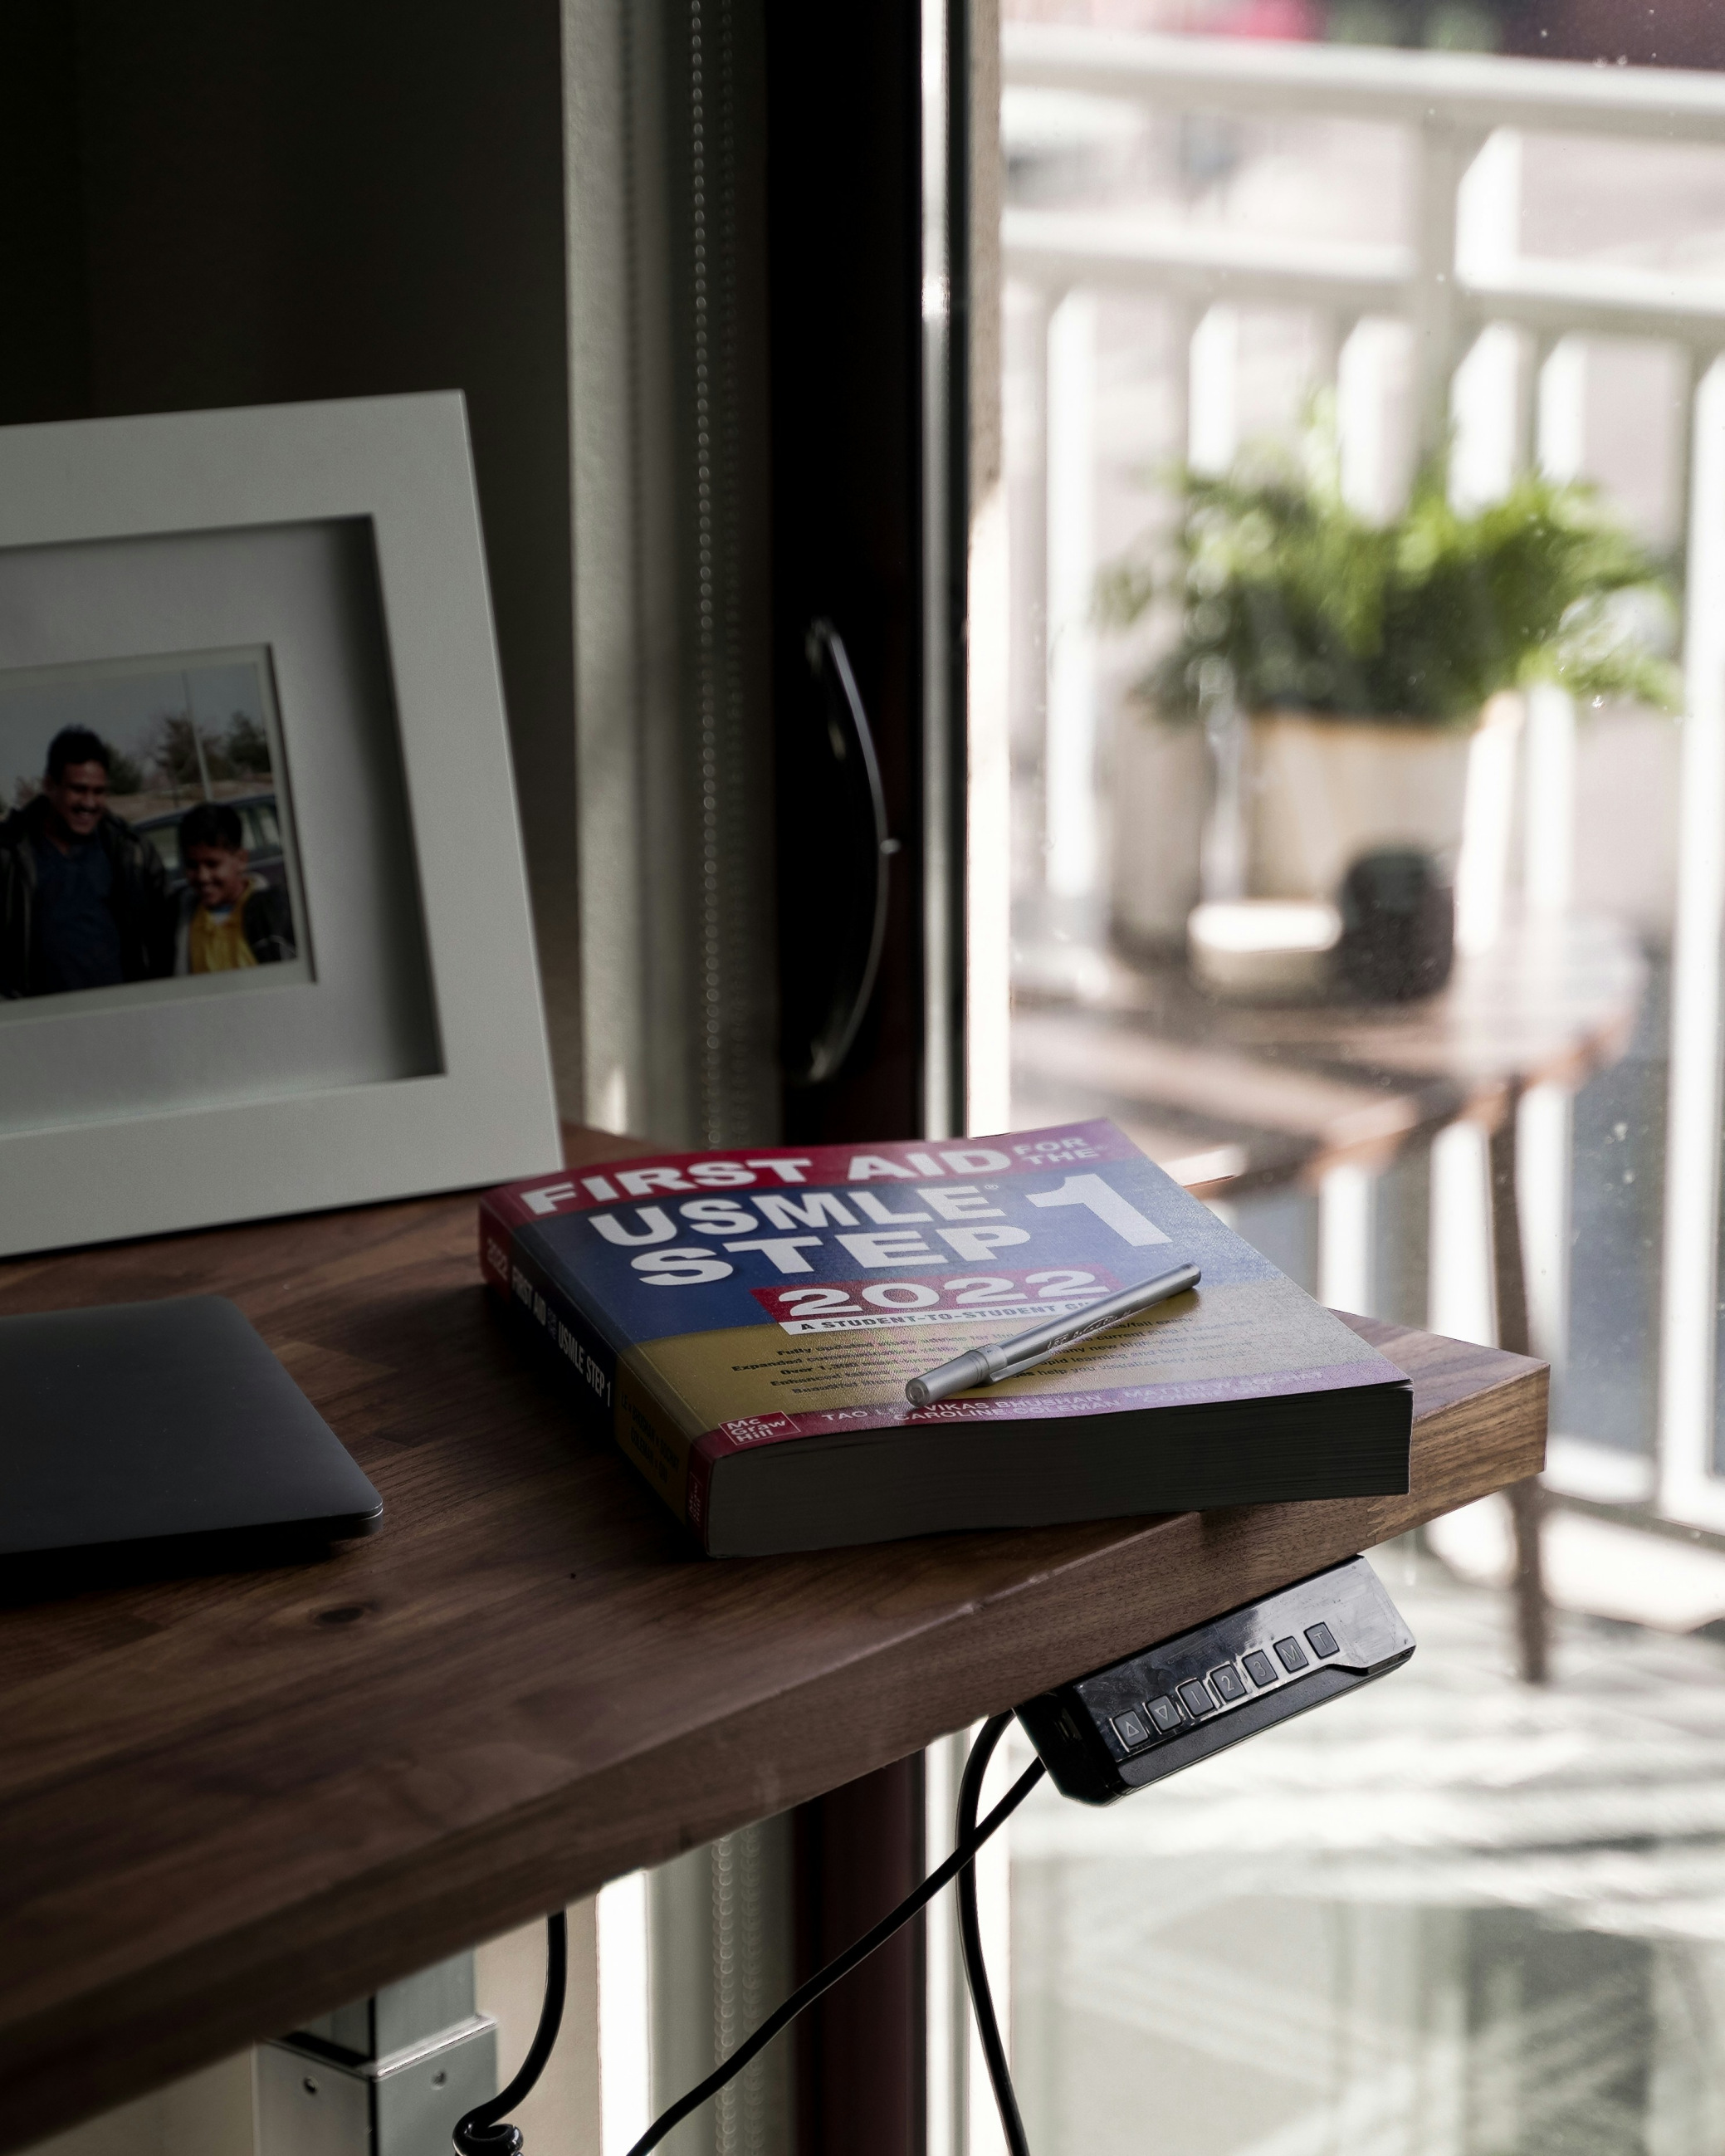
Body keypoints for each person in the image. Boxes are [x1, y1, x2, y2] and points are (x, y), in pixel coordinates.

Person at [0, 726, 173, 998]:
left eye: (99, 791)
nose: (89, 803)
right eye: (79, 790)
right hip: (46, 1025)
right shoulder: (10, 854)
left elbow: (164, 937)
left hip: (125, 1015)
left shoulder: (130, 851)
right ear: (49, 785)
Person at [173, 800, 296, 972]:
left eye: (212, 864)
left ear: (241, 860)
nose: (202, 877)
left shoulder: (277, 914)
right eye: (192, 865)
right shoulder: (179, 922)